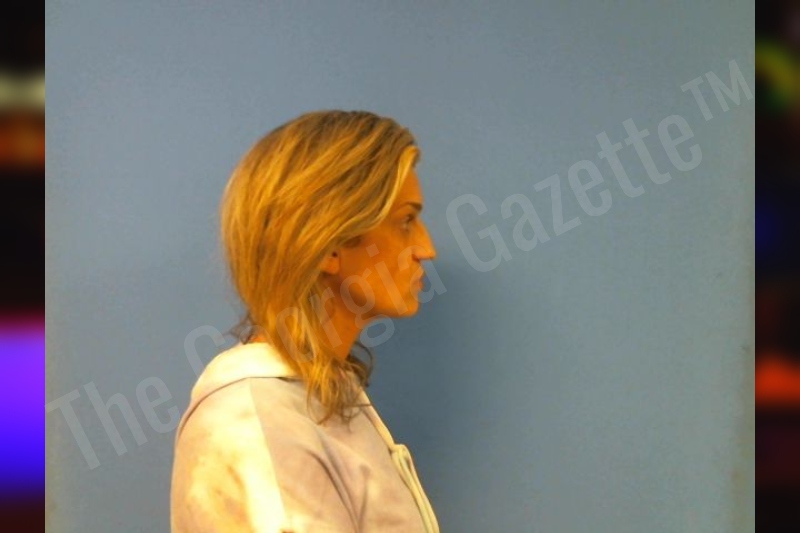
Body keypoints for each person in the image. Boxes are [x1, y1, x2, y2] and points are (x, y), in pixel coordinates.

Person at [170, 110, 440, 532]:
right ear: (328, 246)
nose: (426, 248)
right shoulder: (254, 425)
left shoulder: (317, 402)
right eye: (406, 221)